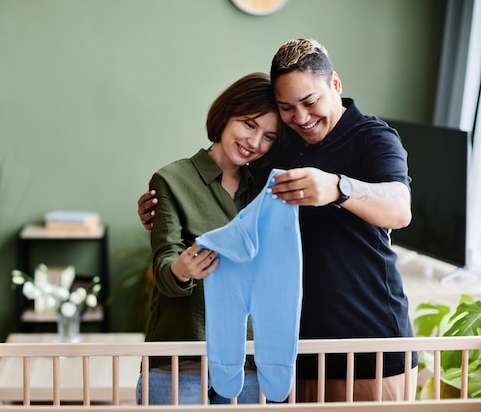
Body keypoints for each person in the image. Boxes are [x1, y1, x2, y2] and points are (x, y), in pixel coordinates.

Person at [137, 38, 418, 402]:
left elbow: (400, 209)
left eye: (309, 102)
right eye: (287, 108)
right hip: (286, 350)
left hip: (368, 341)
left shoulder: (373, 138)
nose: (301, 117)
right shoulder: (280, 144)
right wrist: (162, 210)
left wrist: (337, 187)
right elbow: (221, 190)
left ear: (335, 84)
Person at [137, 72, 281, 405]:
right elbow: (164, 265)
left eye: (269, 136)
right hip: (181, 358)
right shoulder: (172, 180)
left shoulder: (268, 190)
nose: (255, 142)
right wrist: (182, 270)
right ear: (226, 115)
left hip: (249, 362)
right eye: (249, 124)